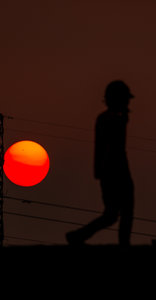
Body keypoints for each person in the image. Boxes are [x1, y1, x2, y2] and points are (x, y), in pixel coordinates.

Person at [66, 80, 135, 246]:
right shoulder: (110, 119)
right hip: (115, 172)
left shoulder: (109, 118)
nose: (127, 103)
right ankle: (80, 236)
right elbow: (112, 147)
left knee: (117, 213)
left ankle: (79, 236)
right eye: (125, 99)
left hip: (113, 171)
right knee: (118, 212)